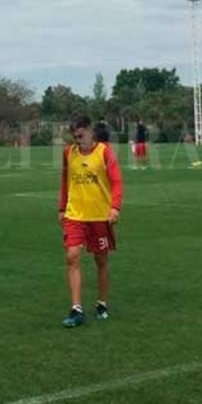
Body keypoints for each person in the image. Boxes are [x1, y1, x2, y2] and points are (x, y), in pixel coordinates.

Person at [58, 115, 124, 328]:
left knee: (101, 260)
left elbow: (116, 181)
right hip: (75, 215)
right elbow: (65, 181)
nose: (77, 140)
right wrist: (61, 207)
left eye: (81, 135)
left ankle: (101, 303)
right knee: (72, 256)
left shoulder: (104, 152)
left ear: (90, 131)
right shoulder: (68, 153)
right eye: (74, 136)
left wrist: (115, 207)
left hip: (99, 216)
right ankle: (76, 309)